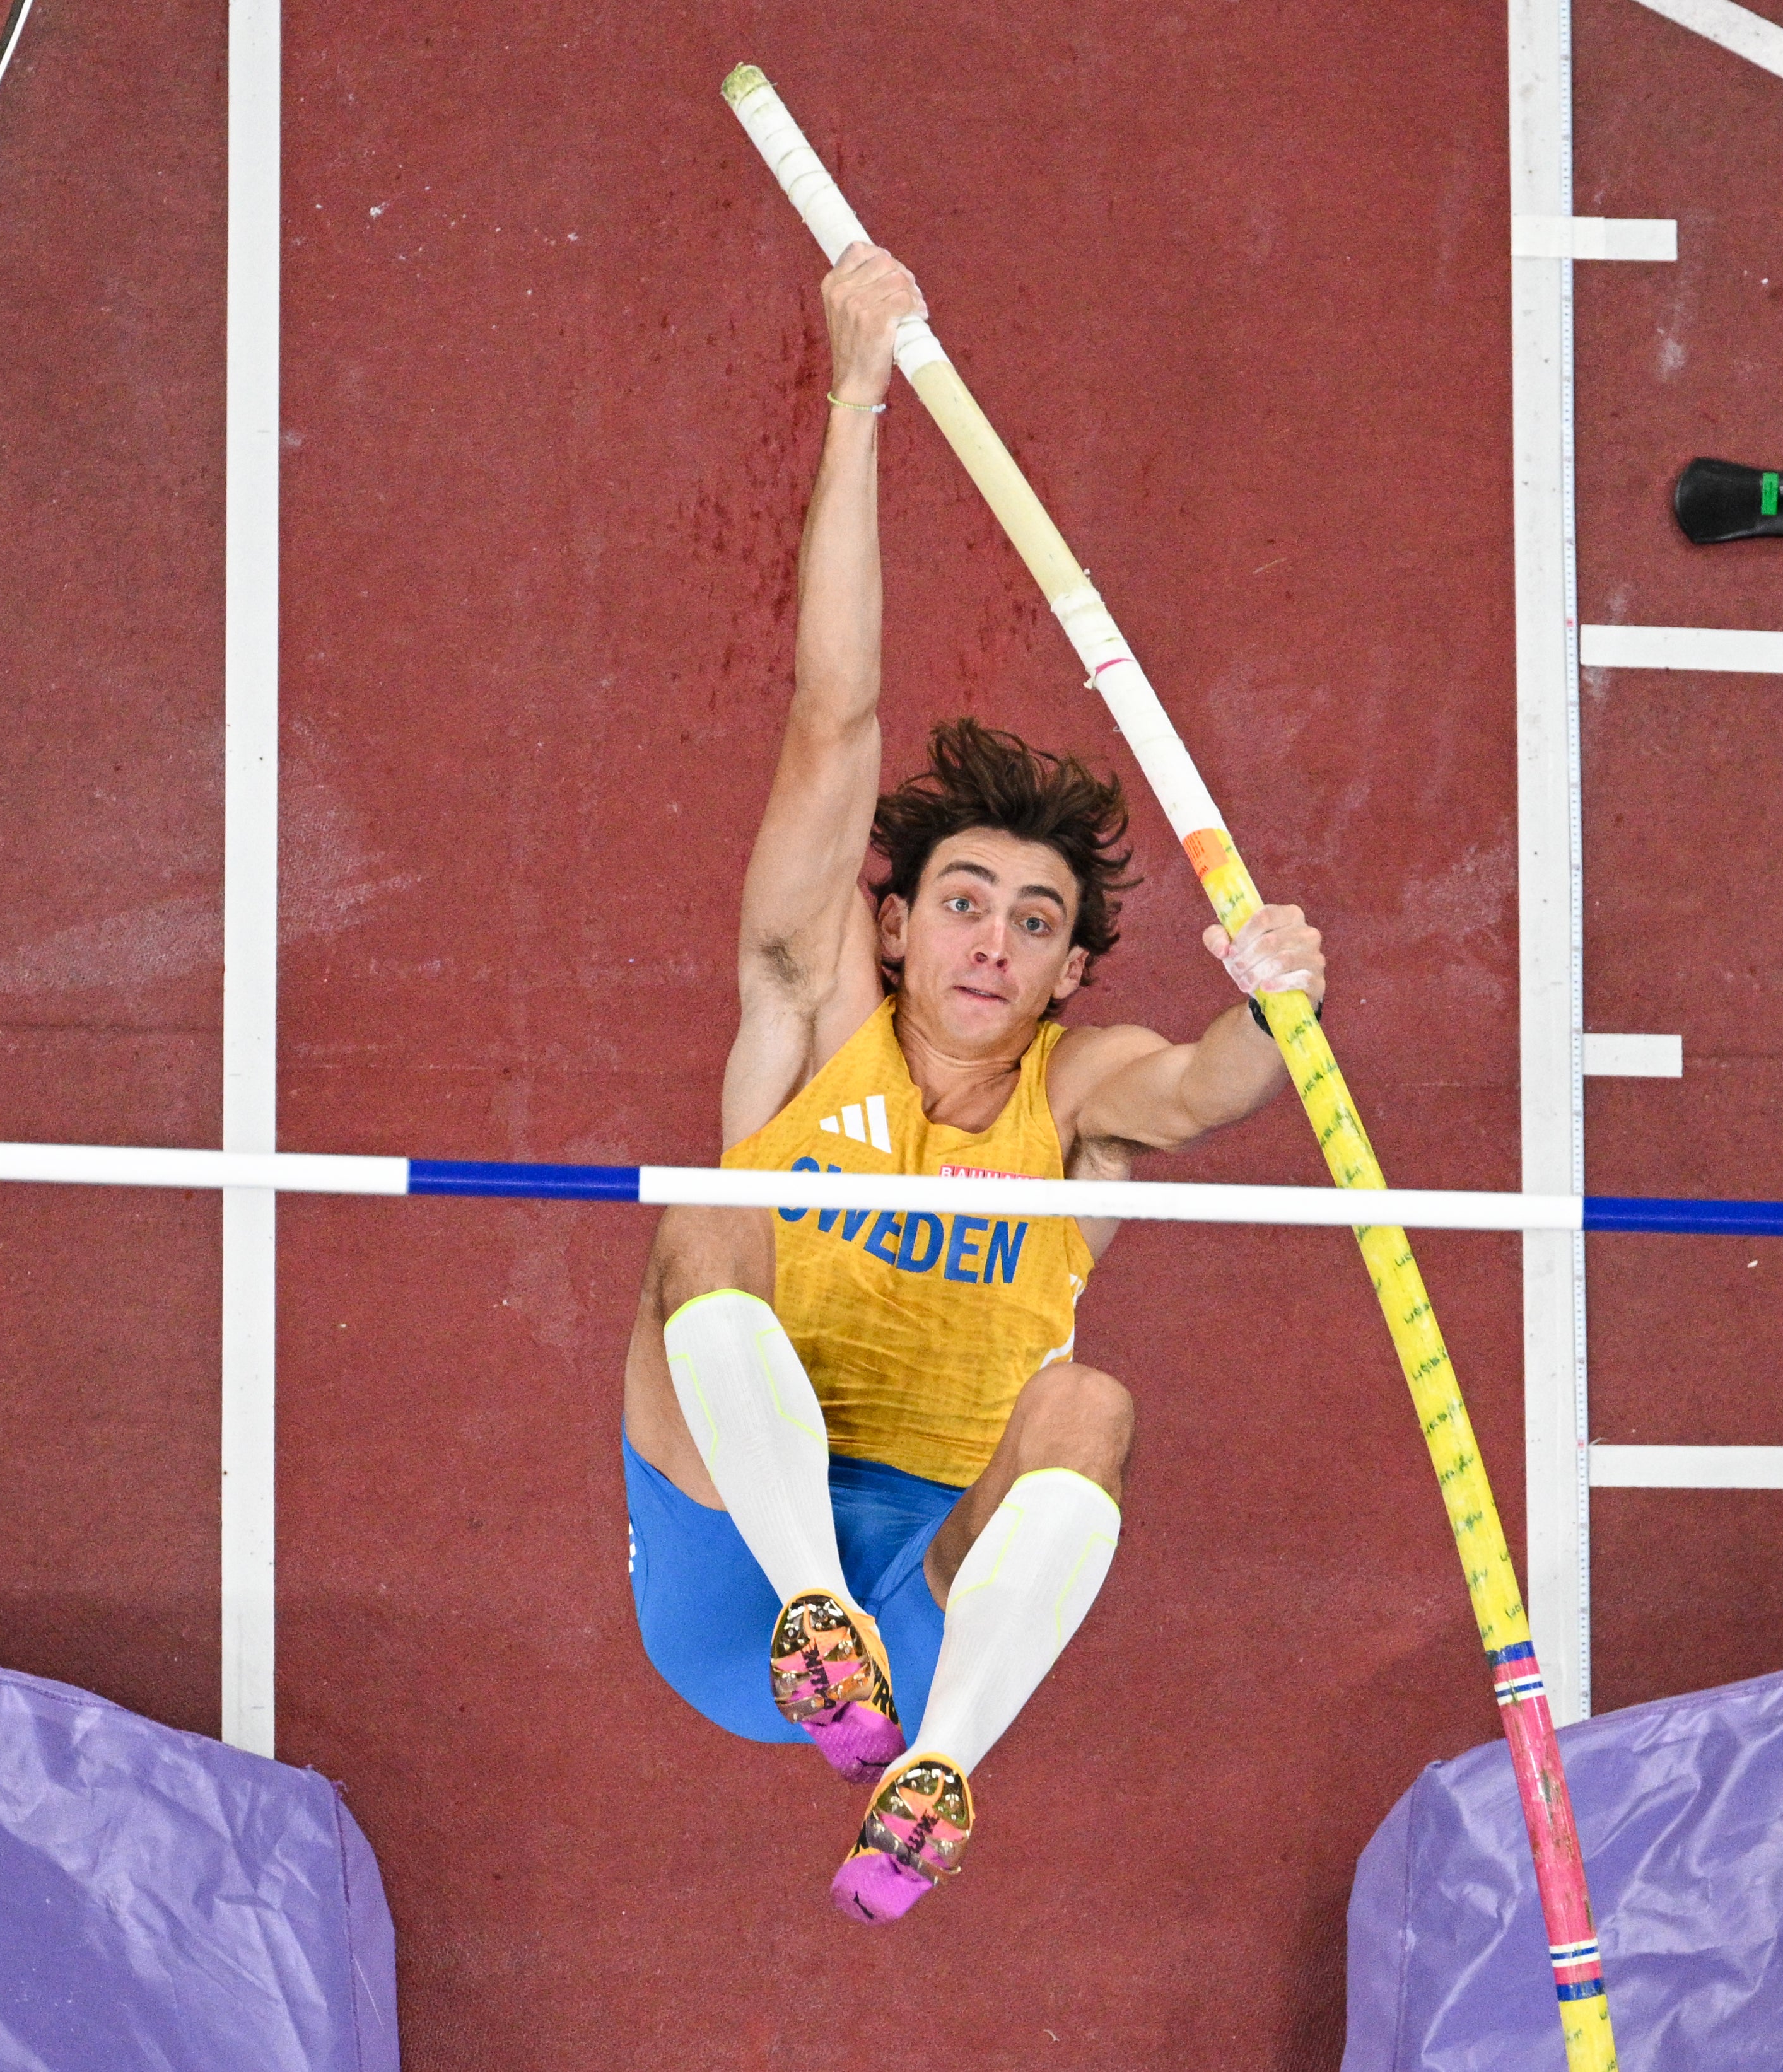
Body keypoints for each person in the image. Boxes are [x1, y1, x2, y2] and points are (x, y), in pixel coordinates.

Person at [619, 241, 1328, 1924]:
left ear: (1074, 970)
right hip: (738, 1555)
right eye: (963, 903)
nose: (995, 943)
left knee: (1092, 1413)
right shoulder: (803, 1010)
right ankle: (818, 1632)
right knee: (708, 1225)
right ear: (895, 923)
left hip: (928, 1586)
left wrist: (1279, 1001)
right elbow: (833, 712)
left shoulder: (1078, 1101)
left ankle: (931, 1772)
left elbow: (1210, 1088)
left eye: (1035, 921)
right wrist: (858, 393)